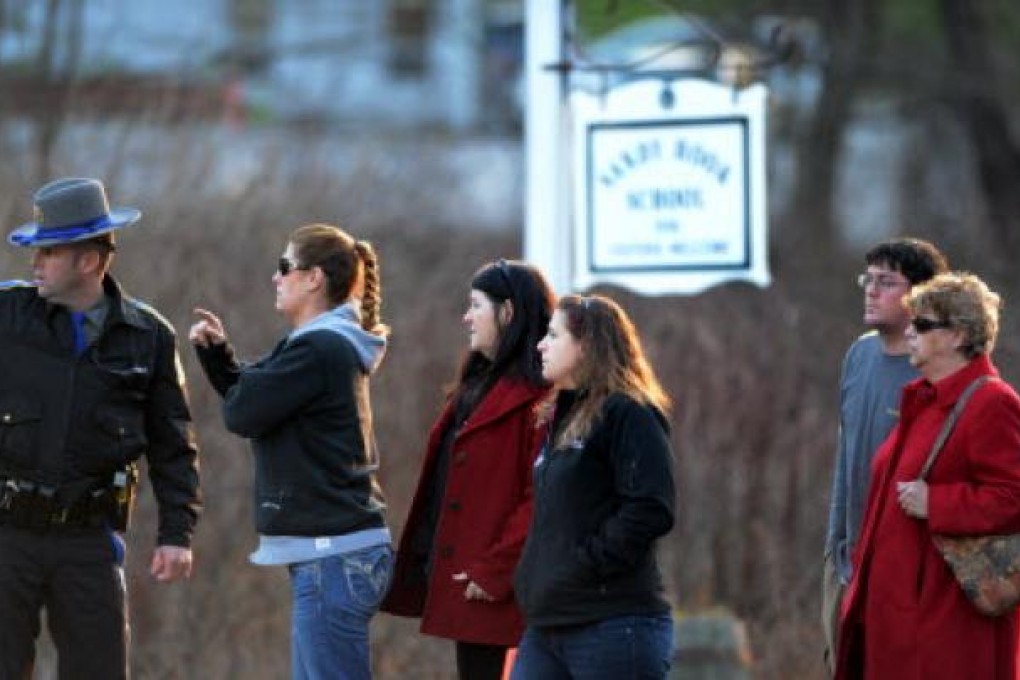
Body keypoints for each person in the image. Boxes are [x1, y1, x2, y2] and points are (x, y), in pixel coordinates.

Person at [0, 177, 201, 679]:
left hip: (88, 541)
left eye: (48, 253)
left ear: (86, 261)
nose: (35, 263)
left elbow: (173, 443)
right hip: (6, 535)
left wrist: (177, 533)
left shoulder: (148, 337)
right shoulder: (6, 315)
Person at [189, 223, 392, 680]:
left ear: (315, 277)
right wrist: (220, 357)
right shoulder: (321, 346)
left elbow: (243, 412)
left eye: (285, 267)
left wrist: (228, 371)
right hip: (339, 555)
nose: (275, 278)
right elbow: (257, 399)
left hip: (333, 556)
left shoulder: (319, 348)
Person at [835, 272, 1020, 680]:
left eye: (921, 324)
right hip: (893, 620)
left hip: (947, 627)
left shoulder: (992, 402)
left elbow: (1013, 497)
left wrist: (938, 503)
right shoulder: (923, 399)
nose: (910, 332)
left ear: (957, 336)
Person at [382, 259, 554, 680]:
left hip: (508, 586)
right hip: (472, 584)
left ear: (507, 313)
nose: (466, 316)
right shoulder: (476, 385)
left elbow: (543, 494)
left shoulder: (543, 396)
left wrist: (495, 570)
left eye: (476, 305)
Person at [511, 294, 676, 680]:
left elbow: (651, 508)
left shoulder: (629, 412)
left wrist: (584, 566)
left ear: (585, 347)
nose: (540, 344)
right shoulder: (560, 418)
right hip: (548, 625)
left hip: (614, 626)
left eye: (553, 335)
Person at [821, 238, 948, 672]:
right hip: (847, 565)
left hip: (905, 575)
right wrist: (835, 548)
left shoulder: (938, 368)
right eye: (868, 280)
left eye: (886, 282)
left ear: (922, 295)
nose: (871, 291)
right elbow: (846, 457)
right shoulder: (858, 355)